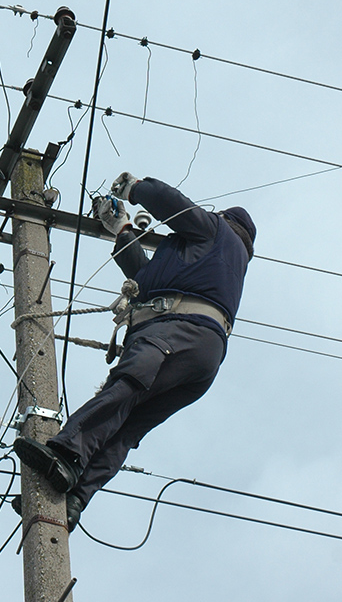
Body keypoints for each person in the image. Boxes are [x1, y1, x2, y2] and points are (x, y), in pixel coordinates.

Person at [13, 173, 256, 531]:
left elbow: (170, 202)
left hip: (176, 331)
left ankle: (66, 453)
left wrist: (134, 186)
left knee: (126, 385)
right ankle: (77, 498)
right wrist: (122, 229)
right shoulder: (214, 263)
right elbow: (146, 280)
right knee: (126, 428)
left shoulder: (217, 232)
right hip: (203, 355)